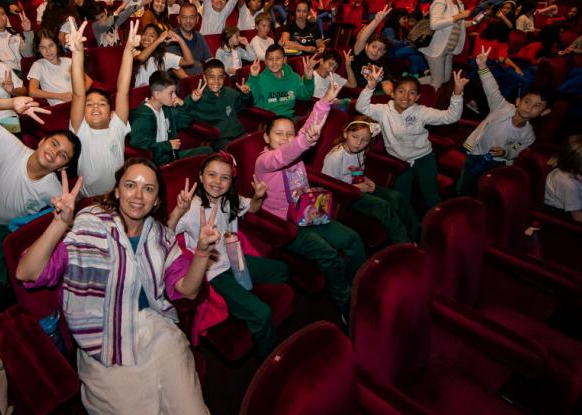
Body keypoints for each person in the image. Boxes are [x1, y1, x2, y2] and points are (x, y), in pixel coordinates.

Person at [16, 157, 234, 415]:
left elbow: (188, 290)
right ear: (117, 190)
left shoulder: (159, 235)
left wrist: (203, 252)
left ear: (156, 200)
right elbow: (26, 272)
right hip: (103, 342)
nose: (138, 195)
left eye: (148, 189)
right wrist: (59, 223)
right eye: (131, 185)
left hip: (158, 333)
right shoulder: (88, 225)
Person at [255, 81, 366, 317]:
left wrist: (324, 102)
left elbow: (306, 131)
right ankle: (347, 305)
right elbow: (285, 154)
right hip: (285, 223)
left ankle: (359, 290)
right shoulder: (264, 161)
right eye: (278, 134)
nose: (285, 139)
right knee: (330, 256)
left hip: (309, 212)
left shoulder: (296, 146)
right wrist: (303, 141)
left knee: (353, 239)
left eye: (290, 134)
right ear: (266, 137)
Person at [0, 94, 79, 317]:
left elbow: (65, 226)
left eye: (62, 155)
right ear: (41, 141)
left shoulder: (54, 190)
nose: (54, 153)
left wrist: (62, 215)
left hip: (20, 230)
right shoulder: (10, 147)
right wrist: (10, 103)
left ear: (62, 167)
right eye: (54, 144)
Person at [170, 152, 289, 357]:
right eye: (212, 175)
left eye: (224, 177)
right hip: (214, 273)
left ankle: (247, 294)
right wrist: (178, 211)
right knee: (262, 314)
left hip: (234, 259)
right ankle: (269, 358)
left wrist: (258, 197)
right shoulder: (192, 208)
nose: (217, 182)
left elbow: (251, 207)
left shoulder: (228, 199)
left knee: (283, 270)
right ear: (201, 176)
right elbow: (165, 234)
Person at [356, 67, 467, 210]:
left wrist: (457, 93)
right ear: (393, 93)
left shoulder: (421, 112)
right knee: (401, 199)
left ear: (417, 97)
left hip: (424, 158)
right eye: (401, 91)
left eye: (412, 93)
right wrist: (370, 87)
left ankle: (437, 226)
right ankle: (406, 227)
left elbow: (451, 117)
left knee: (431, 197)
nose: (406, 96)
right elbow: (361, 107)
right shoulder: (383, 111)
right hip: (400, 162)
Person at [456, 46, 551, 195]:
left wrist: (505, 152)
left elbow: (516, 149)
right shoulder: (502, 107)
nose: (530, 107)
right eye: (527, 102)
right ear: (519, 101)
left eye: (537, 106)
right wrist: (482, 66)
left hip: (496, 163)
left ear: (544, 112)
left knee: (484, 190)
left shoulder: (528, 134)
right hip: (475, 152)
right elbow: (491, 88)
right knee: (464, 185)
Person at [321, 118, 419, 242]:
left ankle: (416, 233)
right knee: (382, 205)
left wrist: (367, 180)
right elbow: (330, 186)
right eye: (354, 137)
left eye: (364, 140)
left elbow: (357, 170)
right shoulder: (335, 157)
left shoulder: (360, 151)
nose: (358, 143)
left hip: (357, 186)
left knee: (395, 196)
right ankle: (405, 243)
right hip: (345, 194)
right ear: (345, 134)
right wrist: (356, 188)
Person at [68, 19, 136, 196]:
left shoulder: (117, 127)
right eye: (89, 105)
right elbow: (78, 93)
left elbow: (122, 91)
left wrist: (128, 52)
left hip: (117, 196)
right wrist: (77, 55)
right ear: (83, 113)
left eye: (102, 104)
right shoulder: (80, 129)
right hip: (88, 200)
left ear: (111, 113)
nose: (95, 107)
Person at [130, 69, 211, 165]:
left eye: (175, 92)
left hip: (171, 156)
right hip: (154, 163)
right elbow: (139, 145)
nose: (175, 96)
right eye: (171, 93)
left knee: (208, 151)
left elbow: (186, 122)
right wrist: (168, 145)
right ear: (157, 94)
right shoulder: (142, 116)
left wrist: (184, 104)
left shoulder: (166, 109)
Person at [183, 59, 252, 150]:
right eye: (211, 77)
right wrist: (191, 100)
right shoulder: (197, 97)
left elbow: (244, 105)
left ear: (224, 77)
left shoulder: (230, 93)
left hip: (240, 133)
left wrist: (246, 94)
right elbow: (183, 116)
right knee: (235, 154)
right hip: (220, 140)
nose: (216, 81)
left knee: (254, 147)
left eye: (220, 77)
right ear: (204, 78)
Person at [421, 0, 473, 89]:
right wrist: (459, 16)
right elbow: (434, 25)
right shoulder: (441, 1)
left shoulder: (459, 3)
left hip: (448, 49)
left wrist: (469, 22)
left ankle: (408, 83)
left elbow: (455, 24)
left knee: (445, 78)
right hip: (436, 48)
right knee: (438, 82)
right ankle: (427, 104)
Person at [247, 44, 315, 118]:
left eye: (278, 58)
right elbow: (251, 101)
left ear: (285, 60)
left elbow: (306, 96)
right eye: (270, 59)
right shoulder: (259, 79)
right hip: (268, 120)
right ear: (265, 62)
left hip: (290, 118)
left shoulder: (293, 77)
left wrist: (308, 78)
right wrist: (253, 77)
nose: (274, 62)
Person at [28, 29, 91, 105]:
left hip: (79, 101)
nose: (48, 51)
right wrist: (61, 96)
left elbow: (88, 80)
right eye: (43, 47)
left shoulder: (68, 61)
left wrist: (78, 94)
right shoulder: (38, 65)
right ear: (38, 49)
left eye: (51, 45)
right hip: (60, 106)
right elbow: (32, 91)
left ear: (57, 44)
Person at [0, 2, 33, 74]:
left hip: (16, 72)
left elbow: (28, 54)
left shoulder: (14, 34)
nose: (0, 17)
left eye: (2, 14)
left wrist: (28, 32)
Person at [348, 5, 392, 88]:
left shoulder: (382, 66)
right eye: (373, 47)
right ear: (366, 46)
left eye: (380, 50)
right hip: (358, 94)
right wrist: (376, 21)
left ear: (383, 53)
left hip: (375, 97)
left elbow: (387, 83)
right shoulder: (359, 55)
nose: (375, 51)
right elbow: (362, 39)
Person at [168, 3, 211, 75]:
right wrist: (192, 82)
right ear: (178, 19)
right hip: (179, 82)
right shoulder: (172, 38)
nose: (188, 21)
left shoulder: (199, 36)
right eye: (184, 17)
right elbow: (174, 67)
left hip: (199, 79)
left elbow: (209, 59)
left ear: (197, 19)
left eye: (192, 17)